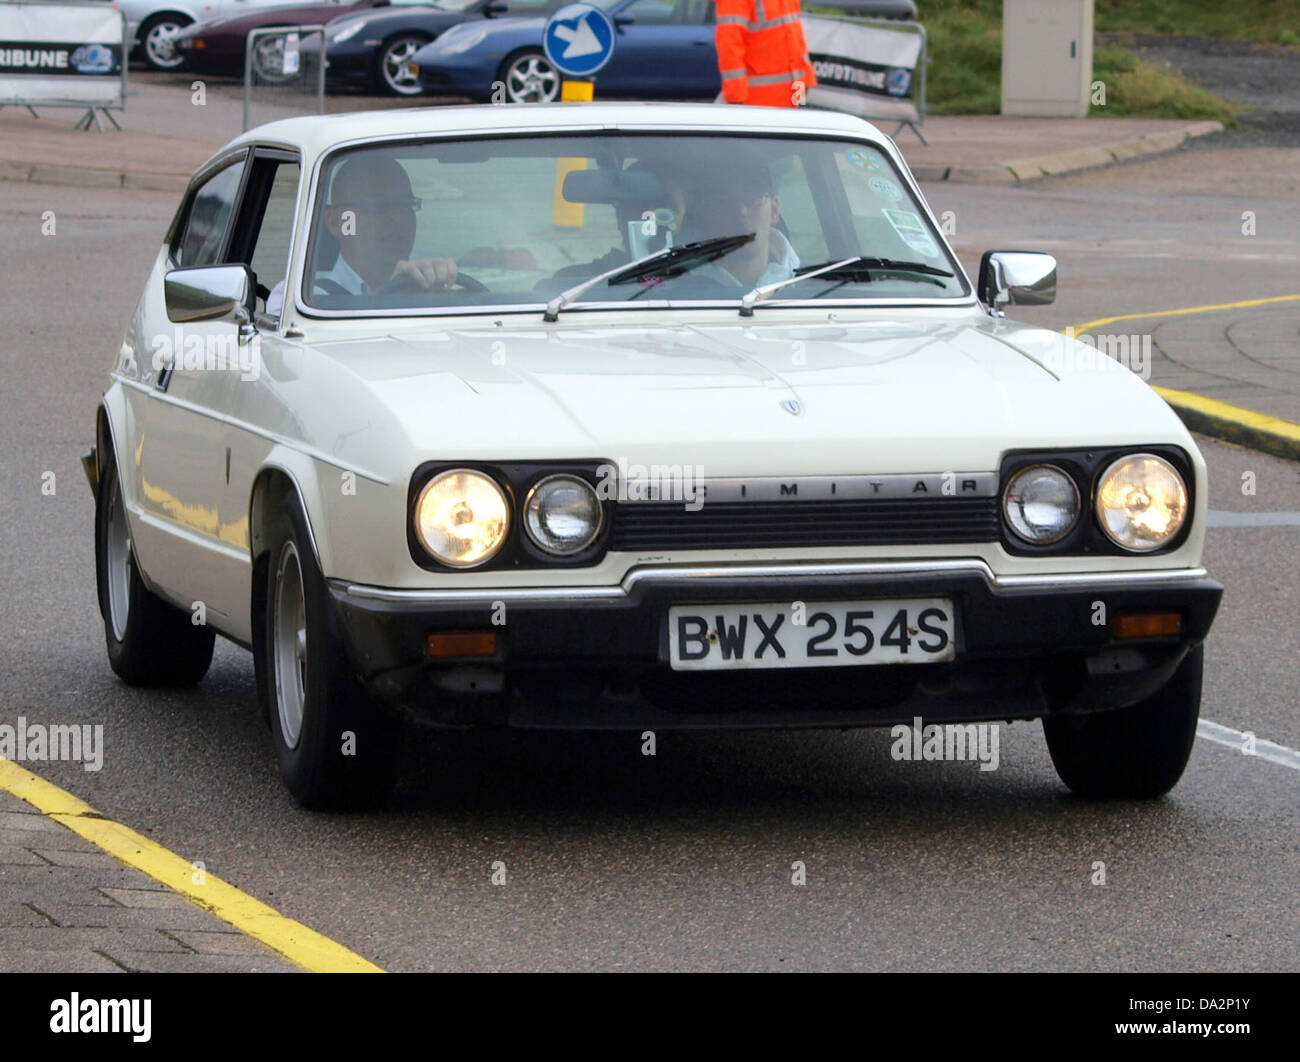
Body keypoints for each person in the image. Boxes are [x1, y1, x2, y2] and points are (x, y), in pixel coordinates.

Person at [265, 153, 456, 317]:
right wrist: (391, 299)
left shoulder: (430, 291)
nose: (396, 219)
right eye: (376, 207)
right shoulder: (296, 300)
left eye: (404, 205)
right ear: (337, 222)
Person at [681, 164, 799, 289]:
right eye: (725, 201)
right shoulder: (678, 290)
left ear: (774, 210)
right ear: (706, 216)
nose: (742, 211)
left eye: (753, 198)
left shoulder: (810, 283)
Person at [715, 0, 817, 108]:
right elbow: (729, 48)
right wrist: (736, 100)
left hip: (793, 96)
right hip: (757, 104)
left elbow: (796, 36)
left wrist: (806, 80)